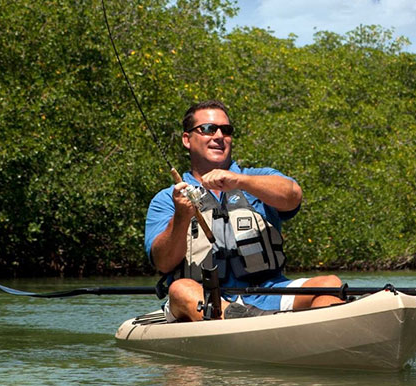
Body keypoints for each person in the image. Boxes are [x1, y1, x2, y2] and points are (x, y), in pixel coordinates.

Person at [144, 100, 342, 322]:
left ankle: (314, 343)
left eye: (226, 130)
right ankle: (242, 321)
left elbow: (292, 195)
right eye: (208, 129)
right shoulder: (166, 199)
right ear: (187, 139)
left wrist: (239, 181)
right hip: (202, 298)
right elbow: (163, 262)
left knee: (330, 284)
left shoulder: (257, 178)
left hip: (268, 293)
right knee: (180, 289)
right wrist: (181, 216)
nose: (219, 136)